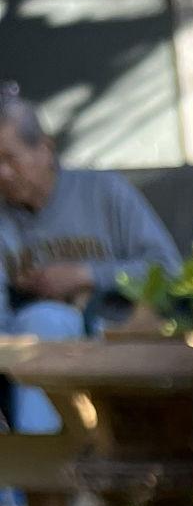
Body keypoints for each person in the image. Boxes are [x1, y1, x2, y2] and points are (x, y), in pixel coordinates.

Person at [0, 87, 182, 444]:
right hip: (25, 348)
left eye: (10, 159)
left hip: (117, 335)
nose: (2, 173)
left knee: (43, 322)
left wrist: (86, 274)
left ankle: (42, 478)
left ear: (46, 149)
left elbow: (169, 269)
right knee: (35, 327)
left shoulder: (104, 192)